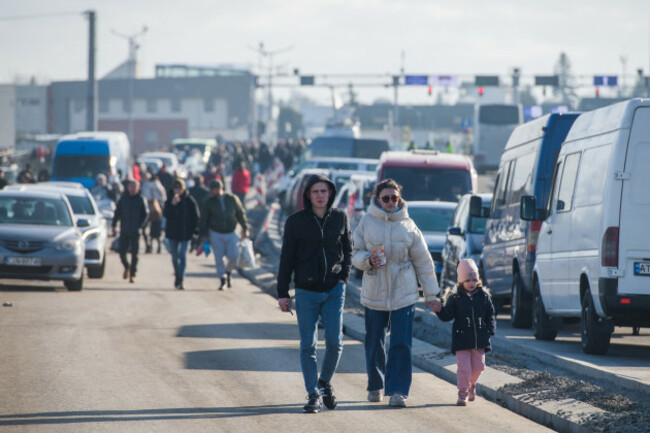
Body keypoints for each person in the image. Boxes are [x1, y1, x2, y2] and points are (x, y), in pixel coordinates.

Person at [351, 178, 439, 408]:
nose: (390, 202)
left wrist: (432, 294)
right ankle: (375, 384)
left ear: (400, 199)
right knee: (374, 342)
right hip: (374, 291)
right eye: (386, 198)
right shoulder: (367, 222)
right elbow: (353, 252)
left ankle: (398, 390)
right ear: (377, 200)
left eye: (394, 198)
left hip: (404, 292)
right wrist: (367, 260)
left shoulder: (408, 225)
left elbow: (424, 262)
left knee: (401, 343)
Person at [277, 173, 352, 414]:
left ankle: (324, 383)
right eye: (315, 191)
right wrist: (282, 292)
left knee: (335, 342)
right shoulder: (295, 221)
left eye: (324, 191)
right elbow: (287, 257)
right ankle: (312, 394)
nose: (320, 195)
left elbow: (348, 250)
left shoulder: (340, 217)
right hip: (306, 291)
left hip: (334, 289)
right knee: (308, 346)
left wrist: (343, 278)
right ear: (308, 195)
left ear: (330, 193)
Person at [432, 258, 496, 406]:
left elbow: (490, 314)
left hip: (480, 339)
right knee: (464, 369)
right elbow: (447, 315)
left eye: (474, 279)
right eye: (467, 280)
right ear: (461, 281)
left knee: (479, 367)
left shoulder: (484, 297)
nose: (471, 283)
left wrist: (490, 329)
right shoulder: (455, 298)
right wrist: (439, 310)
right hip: (461, 339)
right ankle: (462, 394)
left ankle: (471, 385)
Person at [199, 179, 248, 290]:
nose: (210, 192)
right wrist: (203, 235)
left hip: (231, 232)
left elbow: (240, 214)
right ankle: (222, 279)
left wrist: (245, 228)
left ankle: (228, 271)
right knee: (218, 258)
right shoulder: (208, 202)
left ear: (219, 189)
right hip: (216, 233)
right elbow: (204, 220)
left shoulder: (232, 199)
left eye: (212, 190)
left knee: (234, 256)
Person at [163, 178, 200, 290]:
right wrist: (173, 205)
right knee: (174, 256)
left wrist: (195, 232)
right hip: (173, 233)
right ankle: (177, 274)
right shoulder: (169, 200)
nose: (177, 191)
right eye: (175, 189)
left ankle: (180, 279)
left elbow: (196, 216)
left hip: (185, 233)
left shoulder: (189, 200)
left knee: (182, 255)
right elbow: (166, 215)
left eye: (179, 189)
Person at [112, 180, 149, 283]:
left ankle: (132, 274)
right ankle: (127, 267)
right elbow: (117, 212)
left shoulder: (141, 199)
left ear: (138, 188)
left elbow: (146, 215)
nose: (132, 188)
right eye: (131, 186)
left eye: (134, 187)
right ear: (128, 188)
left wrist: (141, 226)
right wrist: (114, 225)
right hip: (124, 229)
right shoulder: (123, 199)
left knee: (134, 254)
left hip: (136, 231)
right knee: (121, 252)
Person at [141, 172, 167, 254]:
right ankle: (152, 246)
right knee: (153, 227)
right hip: (154, 207)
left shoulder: (149, 185)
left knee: (151, 227)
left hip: (153, 207)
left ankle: (150, 246)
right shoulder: (156, 184)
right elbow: (163, 196)